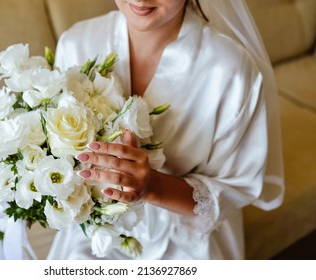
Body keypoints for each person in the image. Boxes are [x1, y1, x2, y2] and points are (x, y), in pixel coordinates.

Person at [46, 0, 285, 259]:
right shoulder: (76, 43)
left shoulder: (230, 72)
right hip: (93, 235)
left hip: (185, 240)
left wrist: (153, 186)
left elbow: (237, 188)